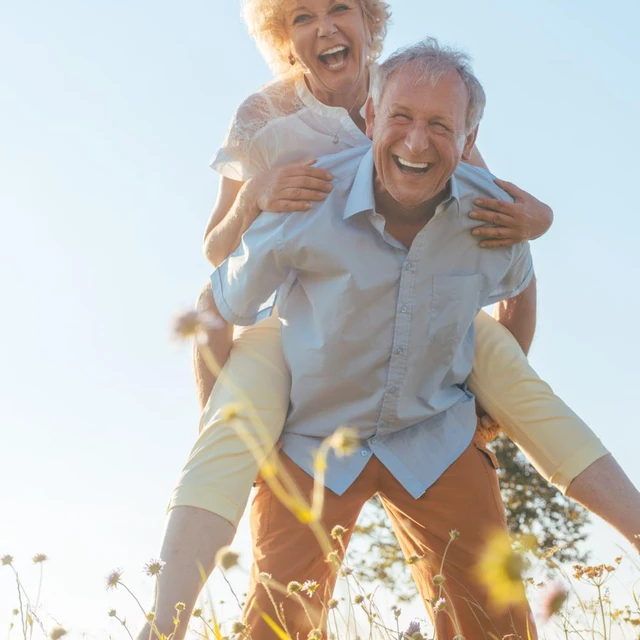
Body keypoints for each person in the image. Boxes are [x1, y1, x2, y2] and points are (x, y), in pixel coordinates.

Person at [138, 1, 640, 638]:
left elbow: (499, 228)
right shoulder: (274, 135)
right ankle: (163, 624)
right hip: (309, 335)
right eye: (301, 15)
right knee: (255, 531)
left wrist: (535, 223)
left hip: (428, 344)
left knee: (524, 400)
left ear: (370, 21)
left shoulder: (428, 95)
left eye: (341, 6)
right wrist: (260, 197)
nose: (324, 26)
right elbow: (218, 263)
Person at [207, 38, 537, 638]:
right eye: (402, 118)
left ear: (467, 142)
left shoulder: (489, 213)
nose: (416, 142)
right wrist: (239, 450)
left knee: (498, 625)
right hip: (312, 440)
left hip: (433, 432)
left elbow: (520, 282)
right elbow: (220, 302)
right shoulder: (305, 197)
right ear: (371, 119)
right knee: (274, 627)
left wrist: (492, 415)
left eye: (440, 125)